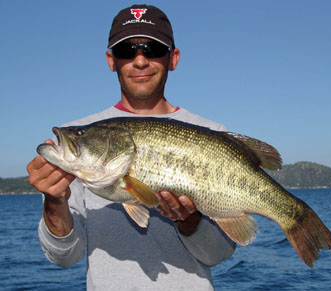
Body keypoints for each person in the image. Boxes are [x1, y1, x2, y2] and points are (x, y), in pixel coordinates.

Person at [27, 5, 235, 290]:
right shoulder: (80, 144)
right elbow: (63, 258)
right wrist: (55, 202)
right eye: (127, 50)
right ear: (111, 60)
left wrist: (189, 221)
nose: (140, 60)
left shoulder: (215, 136)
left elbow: (217, 255)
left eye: (152, 48)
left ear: (173, 58)